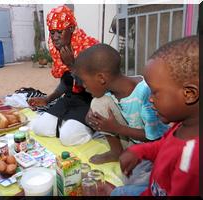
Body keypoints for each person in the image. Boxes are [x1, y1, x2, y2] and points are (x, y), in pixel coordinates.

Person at [113, 36, 199, 196]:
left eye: (155, 92)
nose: (150, 99)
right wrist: (140, 150)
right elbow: (165, 144)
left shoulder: (192, 160)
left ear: (189, 94)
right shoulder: (182, 126)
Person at [73, 43, 169, 165]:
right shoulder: (108, 91)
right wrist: (90, 117)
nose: (83, 86)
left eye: (84, 81)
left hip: (153, 145)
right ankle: (116, 152)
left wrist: (116, 128)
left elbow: (153, 136)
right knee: (98, 103)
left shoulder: (145, 94)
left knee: (132, 177)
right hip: (129, 138)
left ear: (101, 78)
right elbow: (97, 110)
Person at [28, 5, 99, 146]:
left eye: (59, 32)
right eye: (52, 32)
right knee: (38, 127)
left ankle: (83, 128)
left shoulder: (90, 49)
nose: (55, 37)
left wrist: (72, 65)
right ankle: (68, 124)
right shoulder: (60, 51)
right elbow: (66, 82)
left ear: (71, 29)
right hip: (69, 99)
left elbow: (94, 86)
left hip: (90, 102)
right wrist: (47, 99)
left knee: (67, 138)